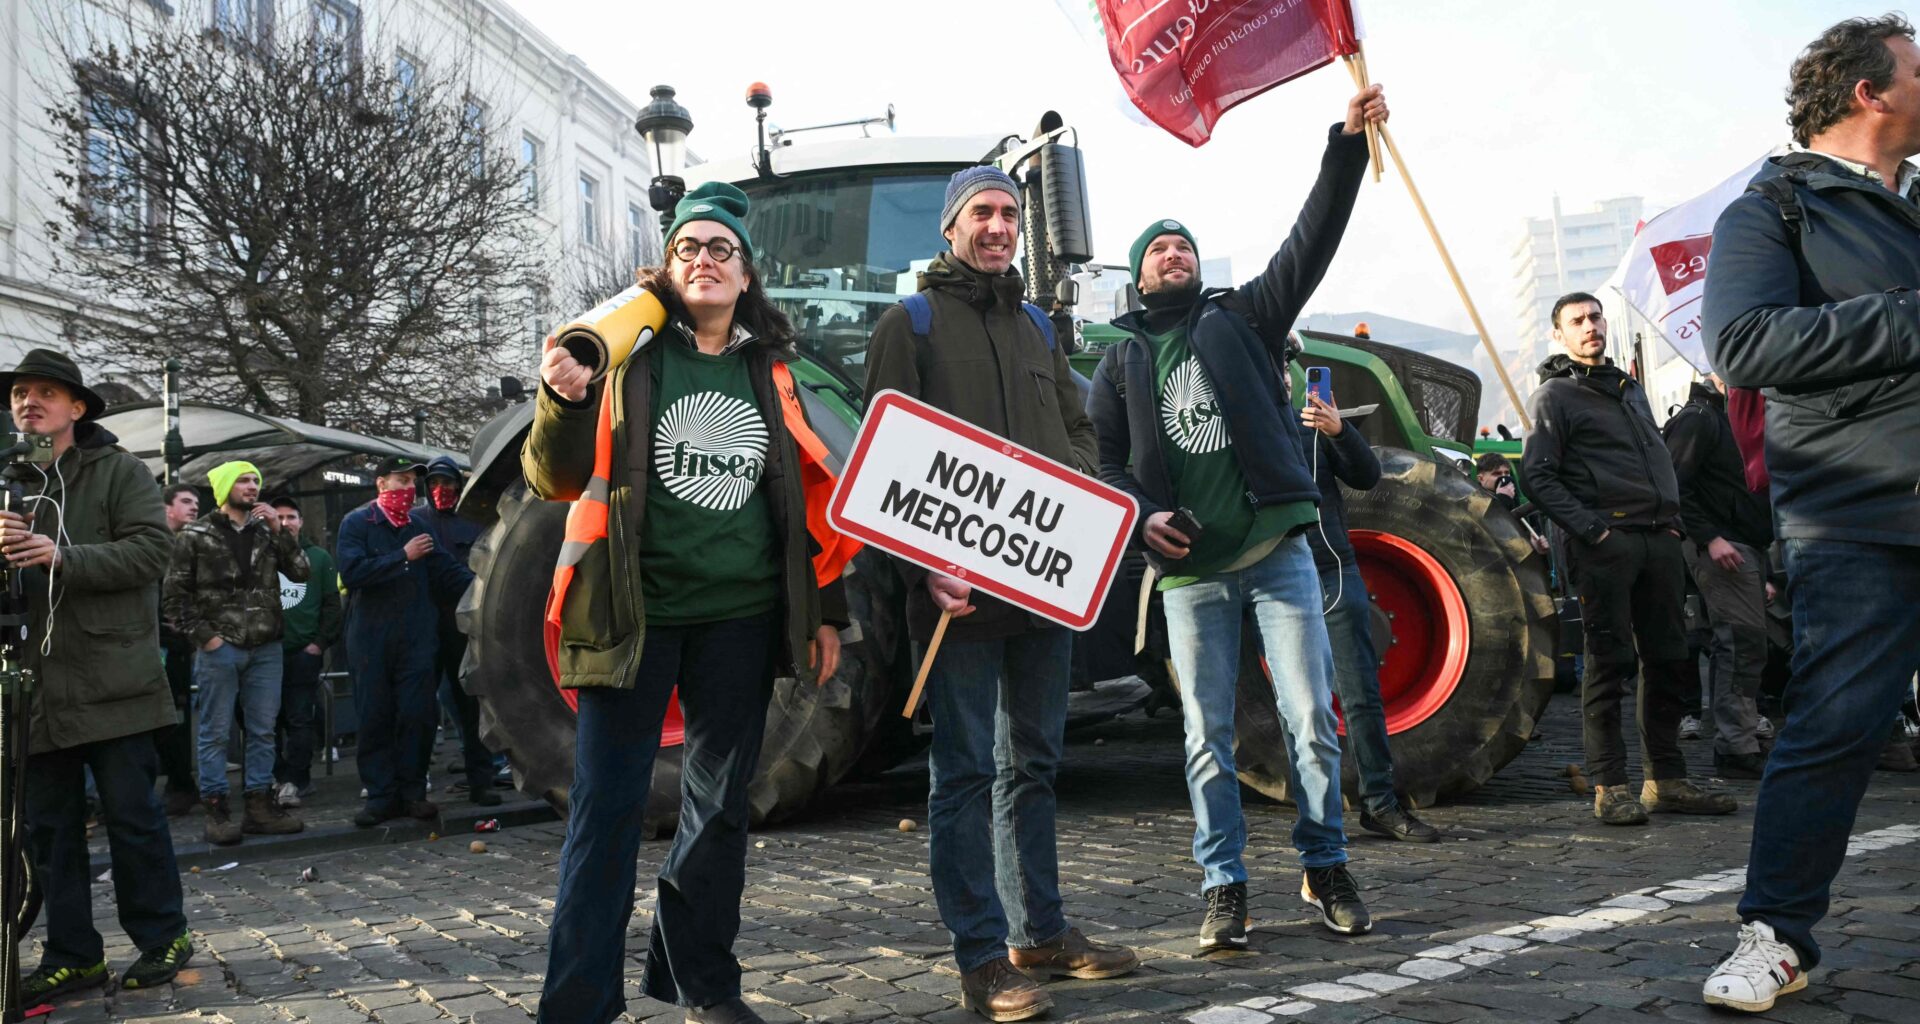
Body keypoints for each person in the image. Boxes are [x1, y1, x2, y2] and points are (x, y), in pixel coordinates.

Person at [529, 182, 847, 1024]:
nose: (704, 260)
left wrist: (828, 611)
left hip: (740, 621)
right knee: (605, 816)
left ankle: (705, 983)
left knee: (718, 815)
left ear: (746, 275)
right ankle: (576, 1006)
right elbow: (553, 477)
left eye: (721, 250)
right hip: (632, 617)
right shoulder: (623, 357)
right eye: (688, 249)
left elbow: (813, 497)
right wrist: (562, 398)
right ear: (667, 270)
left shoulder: (774, 371)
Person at [1087, 85, 1387, 954]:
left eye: (1183, 245)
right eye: (1158, 249)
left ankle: (1325, 862)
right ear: (1138, 276)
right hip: (1190, 576)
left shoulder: (1245, 319)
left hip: (1275, 553)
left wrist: (1344, 147)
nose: (1172, 255)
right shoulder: (1119, 364)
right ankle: (1224, 884)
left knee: (1311, 721)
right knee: (1207, 738)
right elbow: (1105, 465)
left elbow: (1312, 240)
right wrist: (1143, 515)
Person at [865, 166, 1134, 1019]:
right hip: (957, 599)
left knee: (1036, 765)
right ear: (951, 227)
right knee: (967, 773)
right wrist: (924, 568)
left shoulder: (1036, 327)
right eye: (982, 211)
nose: (998, 225)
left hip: (1042, 591)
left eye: (1009, 212)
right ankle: (982, 957)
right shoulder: (906, 322)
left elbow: (1080, 423)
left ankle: (1040, 932)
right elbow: (884, 459)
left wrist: (1076, 498)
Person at [1699, 14, 1920, 1012]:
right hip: (1856, 509)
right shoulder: (1776, 208)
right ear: (1870, 92)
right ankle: (1778, 932)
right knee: (1835, 722)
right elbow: (1742, 344)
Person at [3, 349, 194, 999]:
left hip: (115, 680)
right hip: (38, 689)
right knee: (51, 833)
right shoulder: (8, 482)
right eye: (19, 393)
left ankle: (162, 935)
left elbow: (152, 552)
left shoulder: (119, 472)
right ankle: (73, 954)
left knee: (133, 818)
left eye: (46, 393)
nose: (29, 402)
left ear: (76, 408)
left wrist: (62, 555)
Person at [1520, 292, 1736, 826]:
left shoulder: (1628, 388)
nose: (1590, 326)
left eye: (1595, 317)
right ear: (1560, 336)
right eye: (1577, 321)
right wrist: (1594, 531)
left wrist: (1674, 523)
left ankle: (1665, 779)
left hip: (1658, 539)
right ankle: (1609, 784)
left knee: (1668, 659)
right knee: (1608, 664)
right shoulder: (1556, 396)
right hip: (1607, 544)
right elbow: (1538, 476)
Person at [1301, 388, 1440, 845]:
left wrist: (1339, 430)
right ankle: (1317, 816)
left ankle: (1379, 802)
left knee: (1360, 691)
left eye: (1284, 365)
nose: (1280, 375)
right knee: (1297, 703)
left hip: (1332, 567)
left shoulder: (1313, 425)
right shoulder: (1244, 421)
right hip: (1274, 572)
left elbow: (1366, 475)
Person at [163, 460, 309, 843]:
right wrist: (207, 638)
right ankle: (217, 809)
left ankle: (259, 807)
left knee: (262, 731)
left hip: (266, 647)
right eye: (244, 480)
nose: (252, 487)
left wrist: (280, 531)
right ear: (225, 486)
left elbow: (301, 573)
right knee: (213, 733)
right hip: (219, 648)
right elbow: (175, 596)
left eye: (256, 481)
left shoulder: (267, 531)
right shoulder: (196, 535)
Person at [336, 455, 471, 828]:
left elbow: (452, 575)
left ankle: (413, 793)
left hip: (415, 639)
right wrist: (402, 557)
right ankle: (381, 796)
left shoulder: (417, 526)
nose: (408, 490)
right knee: (375, 715)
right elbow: (352, 572)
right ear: (381, 484)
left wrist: (490, 588)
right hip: (371, 639)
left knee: (418, 715)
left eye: (413, 483)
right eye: (401, 481)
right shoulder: (357, 523)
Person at [1664, 375, 1773, 780]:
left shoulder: (1730, 419)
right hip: (1725, 547)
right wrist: (1710, 538)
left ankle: (1739, 739)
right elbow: (1675, 488)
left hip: (1743, 545)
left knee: (1744, 646)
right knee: (1739, 645)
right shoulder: (1701, 419)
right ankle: (1735, 745)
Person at [416, 455, 497, 806]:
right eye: (434, 484)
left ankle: (481, 780)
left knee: (470, 706)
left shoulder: (474, 522)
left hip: (462, 626)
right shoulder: (416, 520)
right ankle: (414, 785)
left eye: (447, 484)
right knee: (419, 707)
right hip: (423, 624)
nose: (441, 491)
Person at [268, 497, 341, 808]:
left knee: (300, 720)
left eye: (291, 517)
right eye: (280, 517)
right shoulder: (260, 556)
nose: (286, 523)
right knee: (264, 723)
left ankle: (298, 779)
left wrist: (319, 644)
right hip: (265, 654)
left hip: (303, 653)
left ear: (300, 520)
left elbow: (331, 604)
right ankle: (276, 777)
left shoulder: (319, 558)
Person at [156, 482, 201, 815]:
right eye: (186, 501)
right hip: (159, 643)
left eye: (196, 502)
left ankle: (181, 783)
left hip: (181, 645)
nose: (194, 507)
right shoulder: (155, 544)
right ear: (167, 507)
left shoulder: (190, 544)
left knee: (180, 717)